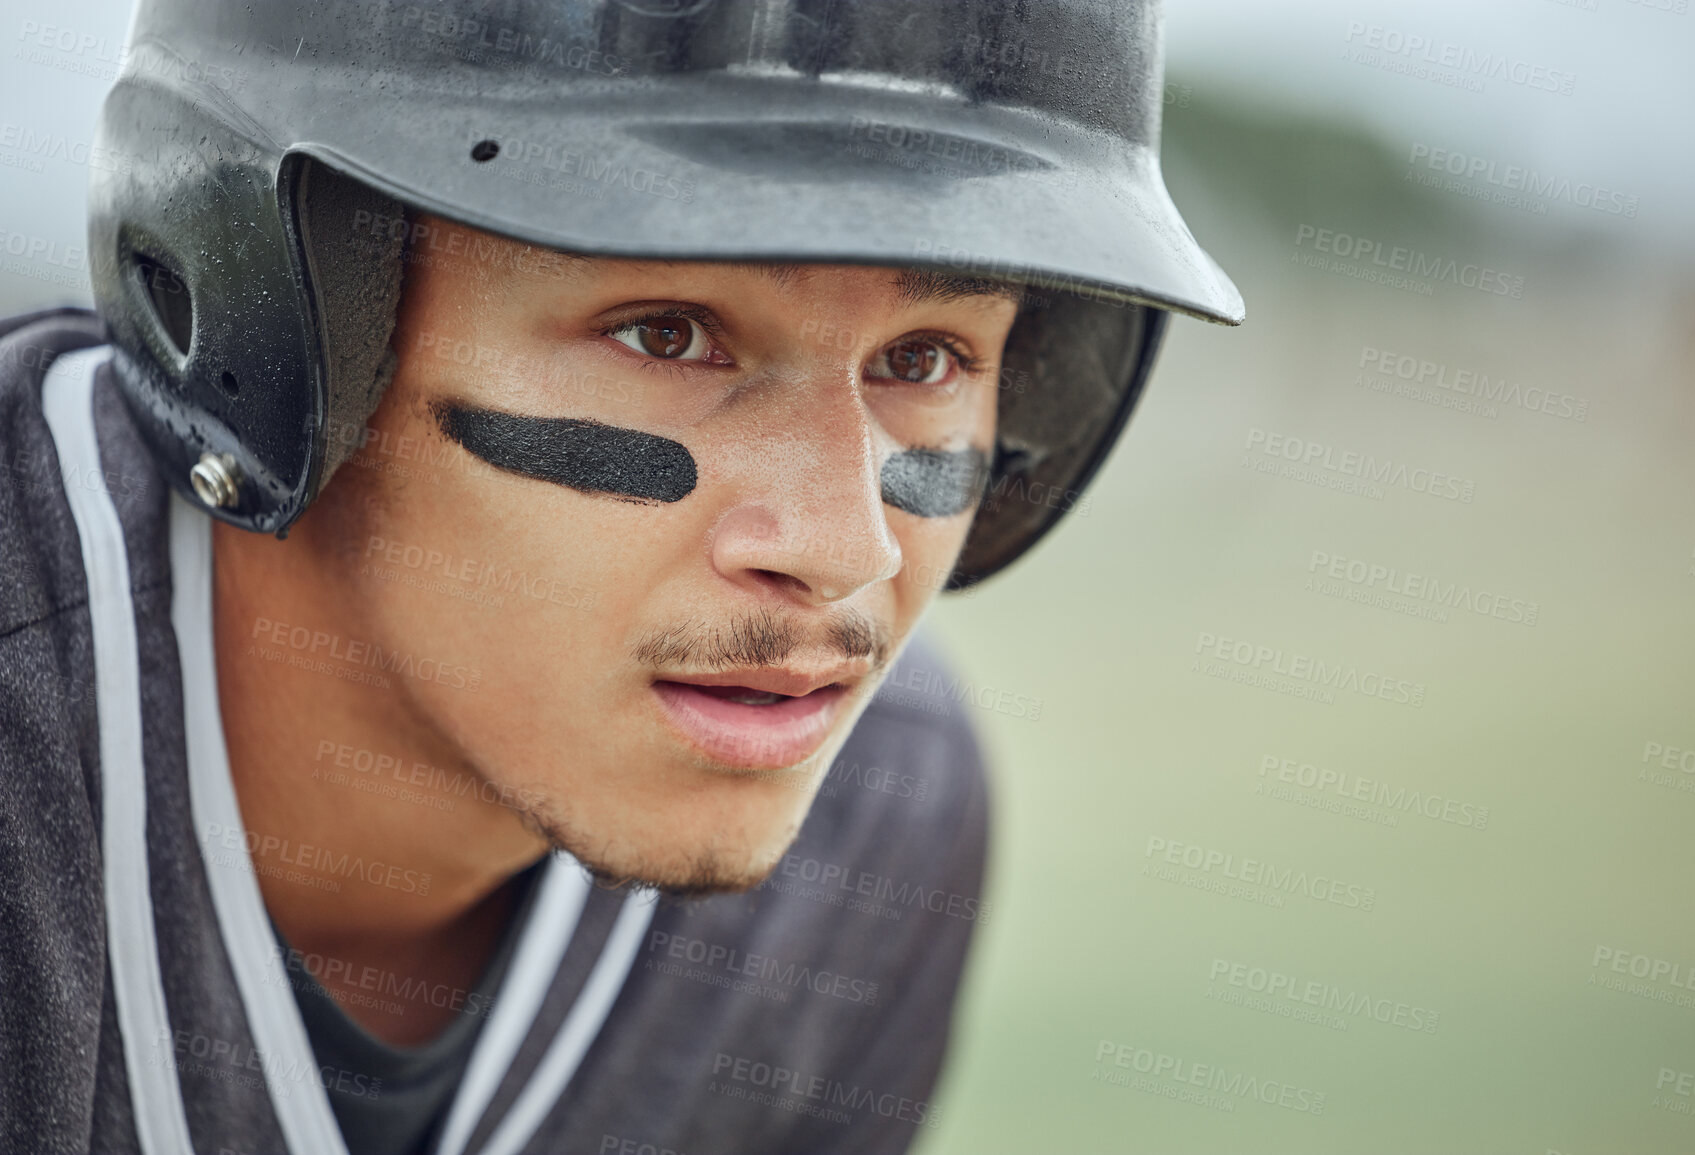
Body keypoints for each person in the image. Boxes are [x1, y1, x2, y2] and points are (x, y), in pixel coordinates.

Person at [0, 2, 1241, 1153]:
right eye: (668, 333)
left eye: (924, 356)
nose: (841, 550)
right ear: (270, 317)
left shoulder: (880, 827)